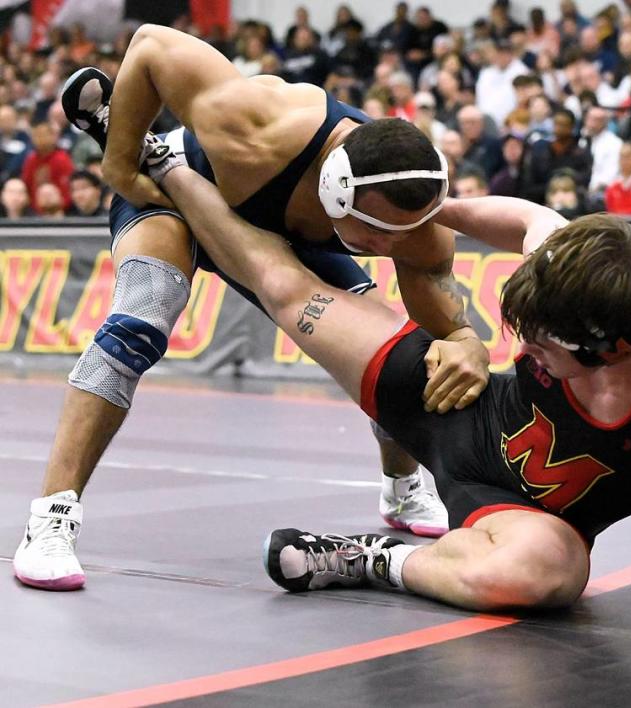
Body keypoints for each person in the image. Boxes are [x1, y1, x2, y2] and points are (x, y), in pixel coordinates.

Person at [146, 140, 631, 617]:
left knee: (545, 582)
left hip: (526, 516)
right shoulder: (571, 267)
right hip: (455, 406)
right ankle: (170, 168)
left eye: (546, 349)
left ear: (610, 346)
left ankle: (366, 558)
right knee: (288, 293)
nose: (529, 352)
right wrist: (429, 217)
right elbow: (526, 221)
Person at [12, 25, 492, 591]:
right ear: (337, 194)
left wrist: (466, 344)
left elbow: (444, 328)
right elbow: (151, 44)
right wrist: (120, 167)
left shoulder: (418, 232)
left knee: (385, 349)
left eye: (399, 234)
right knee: (144, 314)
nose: (388, 248)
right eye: (373, 234)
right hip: (179, 191)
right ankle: (50, 516)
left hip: (276, 237)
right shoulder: (255, 125)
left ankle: (402, 487)